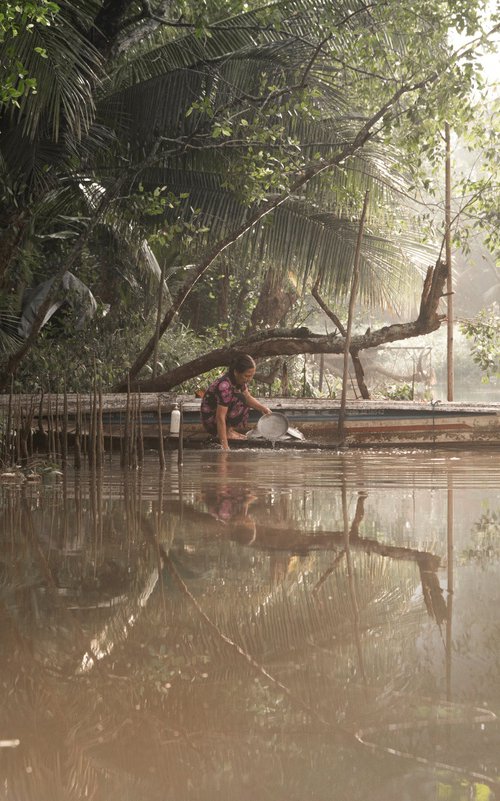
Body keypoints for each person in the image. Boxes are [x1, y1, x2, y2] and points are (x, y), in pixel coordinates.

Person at [200, 353, 271, 450]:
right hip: (211, 420)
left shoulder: (238, 381)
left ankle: (229, 431)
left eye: (251, 376)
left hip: (220, 417)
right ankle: (226, 433)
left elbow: (248, 397)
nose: (249, 379)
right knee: (240, 399)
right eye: (247, 376)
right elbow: (220, 417)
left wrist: (264, 409)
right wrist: (225, 446)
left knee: (244, 398)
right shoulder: (224, 386)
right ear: (236, 372)